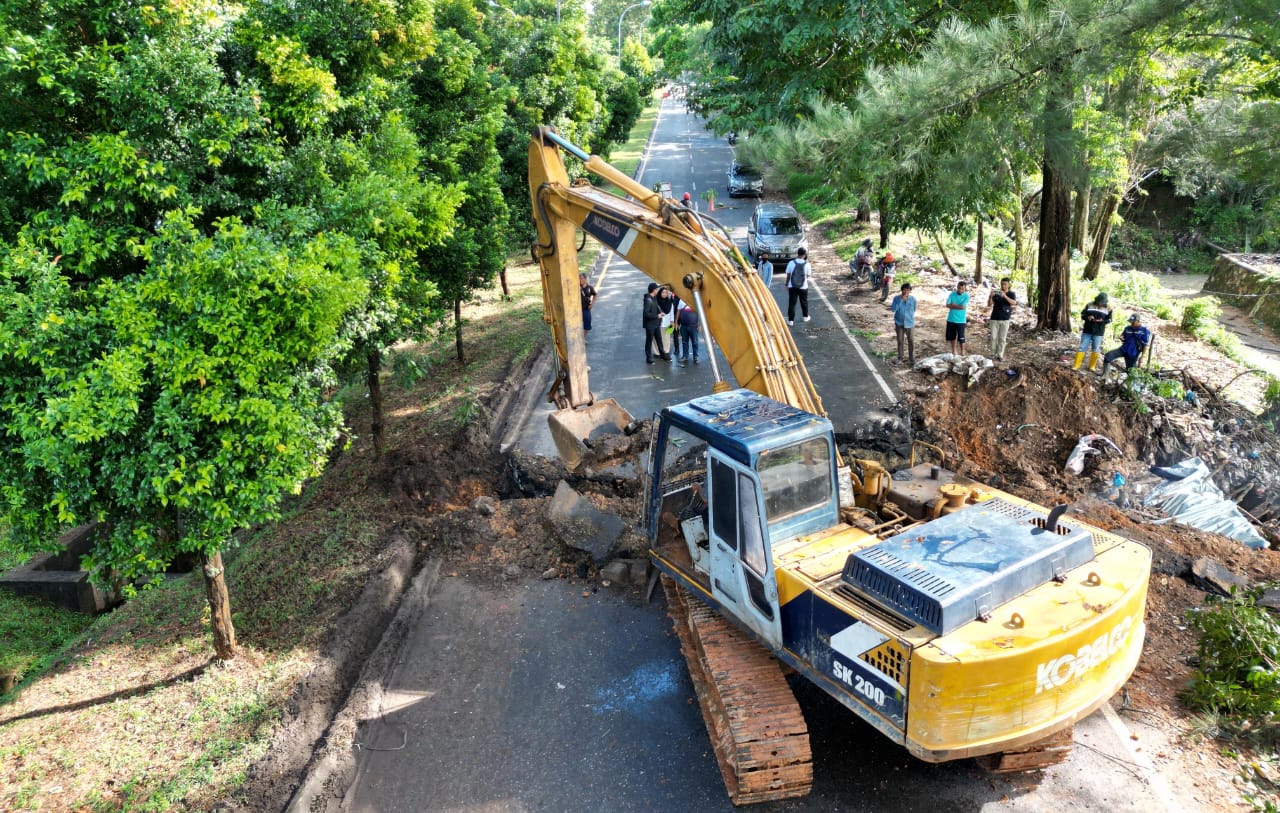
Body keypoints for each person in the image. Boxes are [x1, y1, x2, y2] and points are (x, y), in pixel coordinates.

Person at [1074, 292, 1113, 371]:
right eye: (1099, 303)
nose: (1100, 305)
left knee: (1096, 348)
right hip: (1087, 330)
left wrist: (1102, 321)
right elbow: (1082, 315)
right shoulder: (1089, 305)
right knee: (1082, 347)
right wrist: (1088, 317)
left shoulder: (1109, 308)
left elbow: (1109, 320)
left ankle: (1092, 366)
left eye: (1101, 304)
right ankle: (1076, 365)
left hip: (1099, 332)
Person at [986, 277, 1015, 360]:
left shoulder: (1011, 294)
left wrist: (1004, 296)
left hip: (1005, 319)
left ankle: (1000, 355)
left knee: (1002, 338)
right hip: (994, 318)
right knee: (993, 337)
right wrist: (990, 296)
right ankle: (992, 353)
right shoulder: (997, 293)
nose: (1003, 286)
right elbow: (989, 304)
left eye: (1005, 284)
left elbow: (1013, 302)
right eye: (1002, 284)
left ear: (1008, 285)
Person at [890, 282, 917, 366]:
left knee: (911, 341)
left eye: (908, 290)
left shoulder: (913, 299)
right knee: (900, 341)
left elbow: (914, 309)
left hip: (909, 323)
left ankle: (911, 359)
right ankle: (900, 358)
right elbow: (893, 309)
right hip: (899, 323)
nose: (906, 292)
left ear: (910, 291)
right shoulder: (896, 298)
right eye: (904, 290)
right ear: (901, 290)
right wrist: (901, 300)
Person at [785, 247, 811, 326]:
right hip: (803, 286)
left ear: (797, 253)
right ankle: (805, 317)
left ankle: (791, 320)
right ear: (805, 254)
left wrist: (786, 284)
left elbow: (788, 275)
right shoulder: (807, 264)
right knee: (804, 301)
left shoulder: (791, 263)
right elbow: (808, 275)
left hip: (792, 286)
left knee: (792, 303)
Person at [642, 283, 667, 364]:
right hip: (650, 325)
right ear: (653, 290)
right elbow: (646, 314)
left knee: (659, 340)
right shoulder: (648, 300)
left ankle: (663, 355)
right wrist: (657, 316)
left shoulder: (654, 297)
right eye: (656, 289)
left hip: (656, 323)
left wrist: (660, 313)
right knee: (649, 341)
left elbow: (656, 307)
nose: (657, 291)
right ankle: (649, 359)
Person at [945, 279, 970, 356]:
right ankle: (954, 351)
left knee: (961, 337)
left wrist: (953, 305)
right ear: (957, 287)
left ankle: (963, 351)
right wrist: (958, 306)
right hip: (951, 319)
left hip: (961, 320)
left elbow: (962, 307)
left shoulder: (966, 296)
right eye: (959, 288)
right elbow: (947, 305)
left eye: (962, 289)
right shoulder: (952, 294)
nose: (960, 290)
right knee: (952, 336)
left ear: (965, 289)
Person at [658, 286, 677, 361]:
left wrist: (672, 322)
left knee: (667, 339)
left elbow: (672, 312)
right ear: (660, 293)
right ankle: (659, 353)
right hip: (660, 323)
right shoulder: (657, 301)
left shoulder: (670, 302)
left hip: (668, 323)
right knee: (660, 339)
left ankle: (666, 352)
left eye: (666, 292)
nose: (664, 294)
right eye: (663, 292)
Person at [578, 272, 597, 339]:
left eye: (581, 278)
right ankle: (580, 339)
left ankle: (582, 339)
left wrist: (592, 304)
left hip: (586, 309)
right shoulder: (576, 287)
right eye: (579, 278)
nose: (580, 280)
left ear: (585, 279)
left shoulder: (590, 288)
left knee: (587, 325)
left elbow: (595, 295)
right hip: (578, 310)